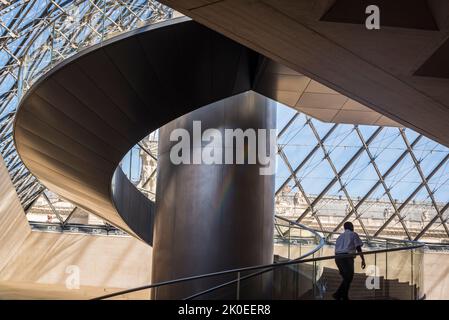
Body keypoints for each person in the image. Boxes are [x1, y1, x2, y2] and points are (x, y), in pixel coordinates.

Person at [332, 221, 366, 300]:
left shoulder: (340, 236)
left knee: (346, 278)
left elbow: (336, 249)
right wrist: (363, 259)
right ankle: (339, 294)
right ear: (351, 227)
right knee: (349, 277)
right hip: (347, 257)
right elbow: (358, 248)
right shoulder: (354, 234)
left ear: (344, 228)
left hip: (337, 257)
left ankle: (342, 296)